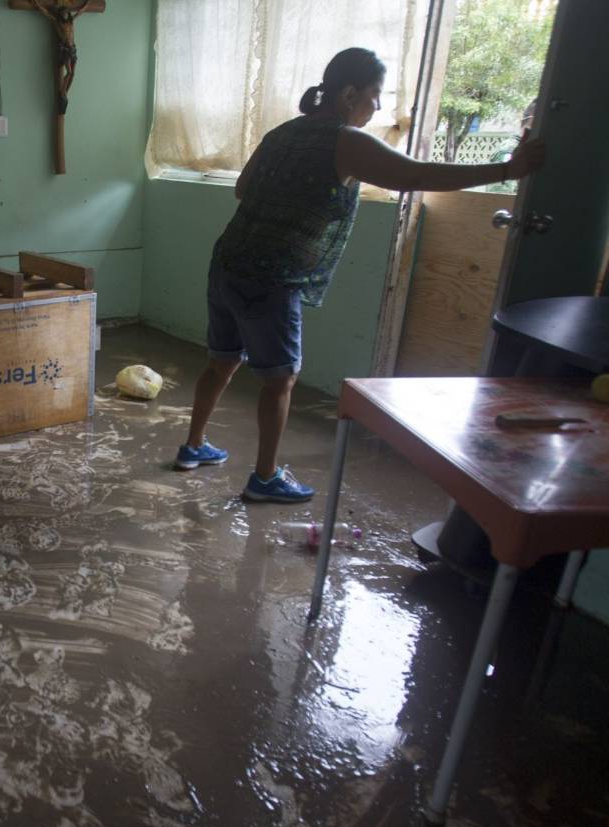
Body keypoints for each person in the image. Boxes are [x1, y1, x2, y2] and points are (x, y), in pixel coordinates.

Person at [174, 47, 545, 502]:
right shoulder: (346, 140)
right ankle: (265, 478)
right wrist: (508, 169)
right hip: (273, 278)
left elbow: (242, 187)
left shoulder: (282, 133)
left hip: (228, 262)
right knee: (280, 379)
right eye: (376, 94)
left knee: (221, 360)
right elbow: (414, 175)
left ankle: (193, 447)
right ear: (349, 94)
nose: (379, 106)